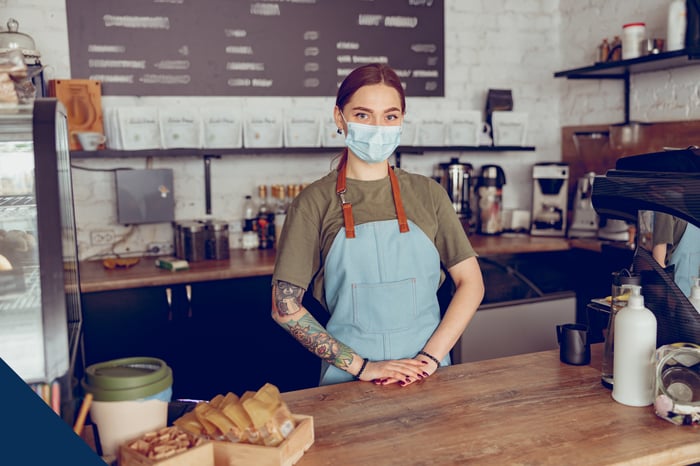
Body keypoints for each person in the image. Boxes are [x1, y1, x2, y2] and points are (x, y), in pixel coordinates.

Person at [271, 63, 485, 386]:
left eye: (390, 116)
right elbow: (283, 307)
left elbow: (472, 283)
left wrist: (428, 360)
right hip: (348, 382)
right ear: (339, 118)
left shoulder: (429, 194)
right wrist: (363, 367)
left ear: (401, 121)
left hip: (428, 377)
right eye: (362, 115)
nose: (378, 127)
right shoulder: (313, 203)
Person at [652, 211, 700, 296]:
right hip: (678, 299)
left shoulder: (665, 209)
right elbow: (658, 265)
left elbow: (658, 265)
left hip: (680, 299)